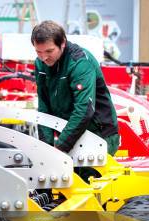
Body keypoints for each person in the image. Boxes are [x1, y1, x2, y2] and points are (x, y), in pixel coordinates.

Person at [31, 20, 119, 156]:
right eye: (39, 52)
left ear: (62, 43)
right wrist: (46, 148)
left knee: (87, 177)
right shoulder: (40, 64)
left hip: (99, 136)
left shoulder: (80, 63)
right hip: (71, 134)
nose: (44, 58)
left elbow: (84, 109)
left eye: (49, 51)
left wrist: (60, 147)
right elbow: (44, 107)